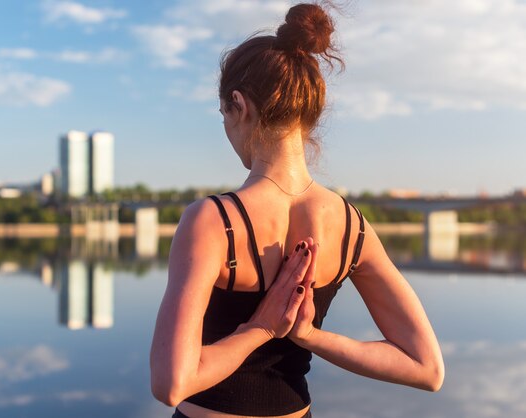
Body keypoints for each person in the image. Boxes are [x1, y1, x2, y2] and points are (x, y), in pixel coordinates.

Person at [150, 3, 444, 417]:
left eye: (223, 115)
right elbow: (427, 367)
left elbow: (170, 383)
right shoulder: (351, 227)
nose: (226, 130)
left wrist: (260, 330)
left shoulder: (212, 221)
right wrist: (309, 336)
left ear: (239, 105)